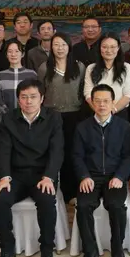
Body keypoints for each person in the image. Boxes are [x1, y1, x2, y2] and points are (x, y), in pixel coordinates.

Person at [0, 79, 63, 257]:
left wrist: (49, 176)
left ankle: (47, 250)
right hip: (16, 175)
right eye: (24, 97)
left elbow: (57, 150)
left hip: (42, 175)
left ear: (42, 98)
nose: (28, 101)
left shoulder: (53, 118)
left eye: (33, 97)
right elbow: (4, 150)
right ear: (18, 100)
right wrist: (4, 177)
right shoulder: (8, 119)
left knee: (47, 200)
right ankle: (7, 249)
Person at [72, 84, 130, 257]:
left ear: (113, 102)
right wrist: (84, 176)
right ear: (92, 102)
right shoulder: (82, 127)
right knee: (83, 206)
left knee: (116, 206)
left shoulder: (123, 126)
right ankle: (90, 251)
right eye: (97, 101)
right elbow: (76, 156)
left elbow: (128, 156)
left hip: (114, 177)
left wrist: (120, 176)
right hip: (90, 177)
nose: (101, 105)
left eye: (106, 101)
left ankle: (117, 250)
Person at [37, 32, 86, 204]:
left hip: (74, 115)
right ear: (51, 47)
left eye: (63, 44)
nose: (60, 48)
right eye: (56, 44)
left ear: (69, 47)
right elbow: (41, 93)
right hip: (52, 116)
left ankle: (71, 193)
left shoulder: (79, 67)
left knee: (72, 153)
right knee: (54, 152)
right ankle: (51, 188)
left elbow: (83, 91)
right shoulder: (44, 68)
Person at [84, 32, 130, 121]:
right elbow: (88, 94)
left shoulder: (126, 67)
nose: (108, 50)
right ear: (99, 48)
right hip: (97, 113)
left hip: (119, 113)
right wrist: (100, 111)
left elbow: (128, 94)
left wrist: (112, 110)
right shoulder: (91, 68)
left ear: (118, 48)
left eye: (113, 47)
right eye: (104, 47)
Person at [0, 41, 38, 118]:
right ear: (6, 55)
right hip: (6, 118)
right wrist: (9, 115)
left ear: (22, 54)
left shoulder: (32, 74)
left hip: (28, 117)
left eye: (17, 51)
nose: (13, 54)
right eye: (10, 51)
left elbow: (35, 97)